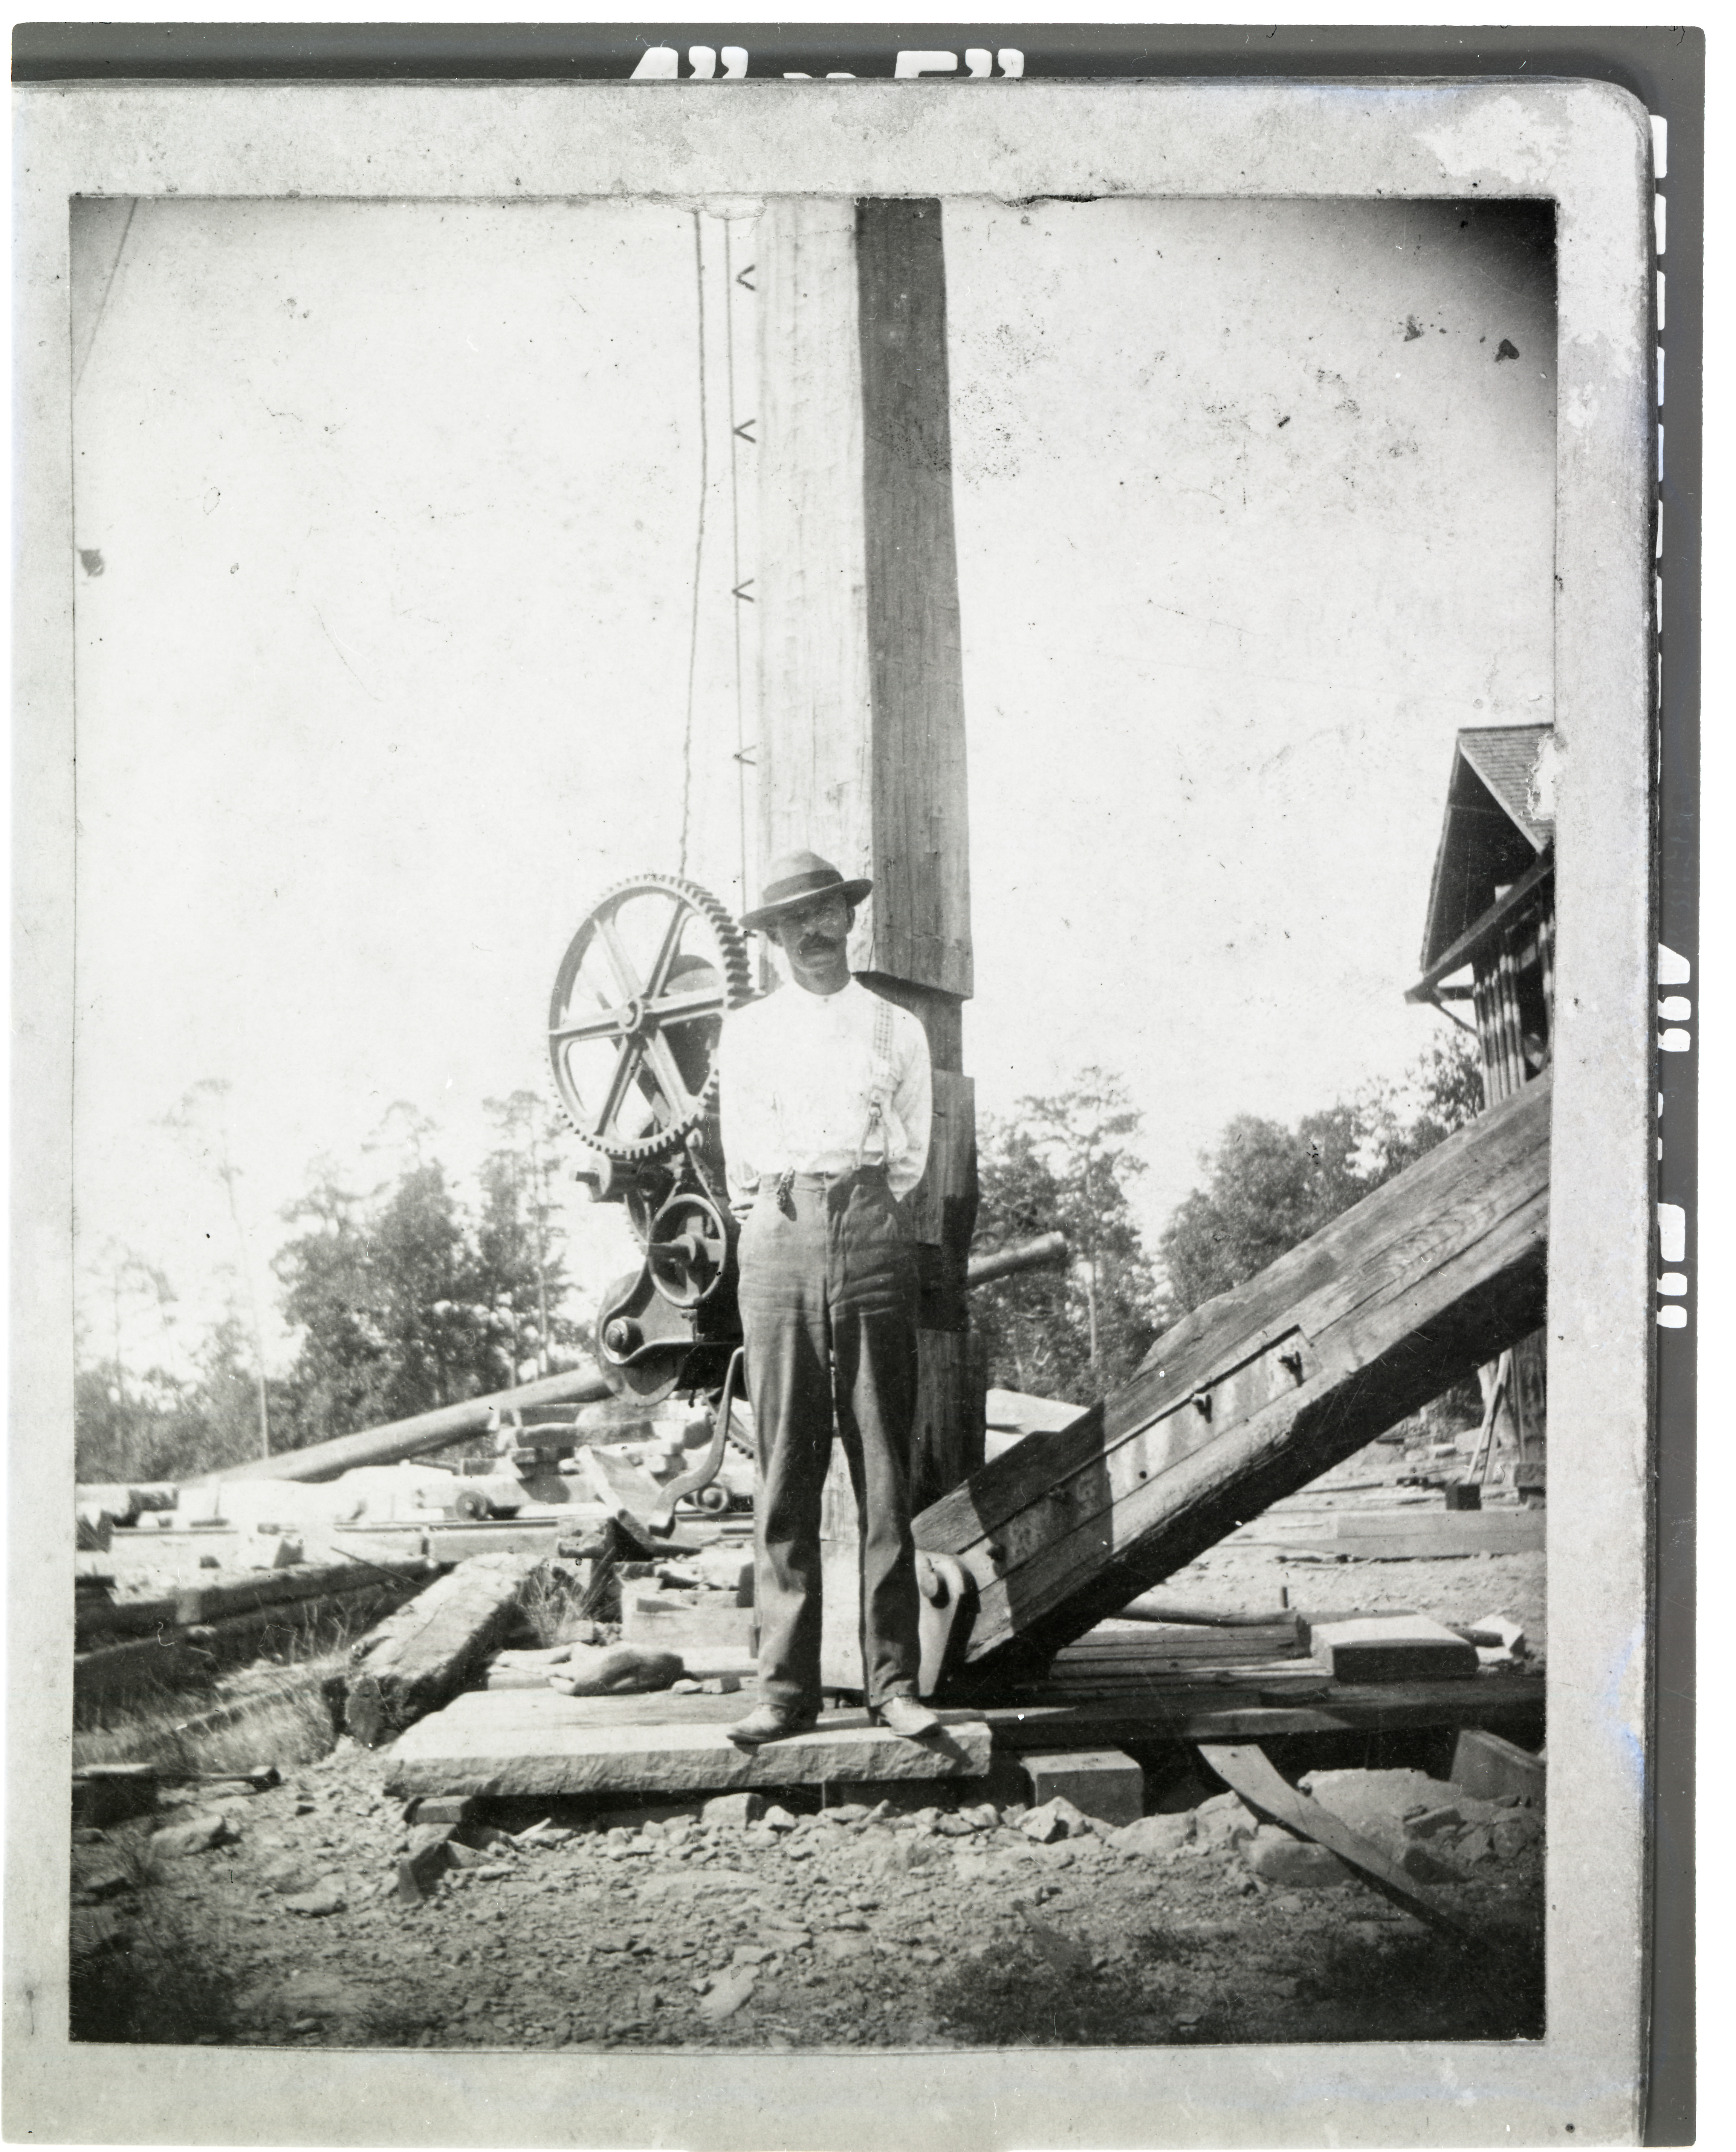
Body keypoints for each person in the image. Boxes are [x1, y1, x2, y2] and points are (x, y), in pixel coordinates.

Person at [717, 848, 939, 1745]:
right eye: (790, 922)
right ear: (772, 939)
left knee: (884, 1466)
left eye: (823, 914)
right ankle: (783, 1692)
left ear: (849, 919)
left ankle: (895, 1684)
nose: (810, 932)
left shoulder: (897, 1029)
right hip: (778, 1233)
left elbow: (913, 1153)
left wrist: (860, 1209)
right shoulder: (748, 1034)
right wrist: (788, 1216)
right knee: (784, 1468)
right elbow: (738, 1162)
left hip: (873, 1231)